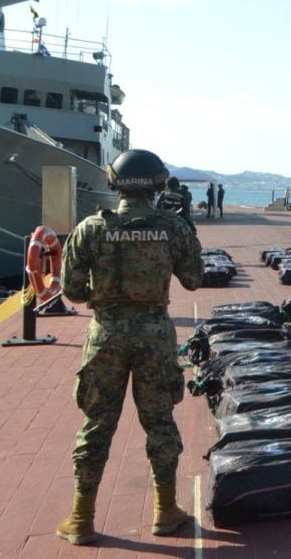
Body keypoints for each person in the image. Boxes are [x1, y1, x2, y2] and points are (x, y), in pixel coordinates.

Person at [56, 149, 204, 545]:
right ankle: (165, 510)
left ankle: (81, 518)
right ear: (157, 184)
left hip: (105, 334)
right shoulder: (172, 227)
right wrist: (186, 230)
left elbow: (70, 290)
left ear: (113, 181)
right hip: (155, 334)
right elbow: (193, 280)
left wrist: (102, 296)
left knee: (97, 423)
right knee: (159, 422)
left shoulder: (90, 228)